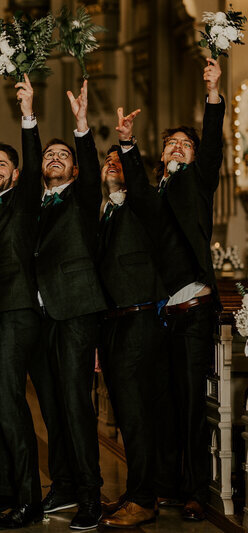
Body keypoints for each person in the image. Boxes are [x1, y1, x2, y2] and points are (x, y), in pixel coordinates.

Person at [23, 78, 107, 531]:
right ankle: (65, 482)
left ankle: (90, 496)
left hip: (74, 311)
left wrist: (80, 127)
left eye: (63, 156)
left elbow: (92, 167)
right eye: (47, 155)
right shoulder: (32, 203)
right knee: (52, 406)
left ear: (74, 170)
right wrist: (28, 115)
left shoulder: (81, 194)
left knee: (76, 405)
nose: (54, 159)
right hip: (39, 316)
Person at [87, 108, 166, 528]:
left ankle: (146, 498)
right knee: (122, 409)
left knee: (137, 414)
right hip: (112, 323)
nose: (112, 166)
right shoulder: (102, 213)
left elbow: (138, 183)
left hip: (139, 320)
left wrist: (128, 145)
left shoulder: (142, 206)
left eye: (118, 162)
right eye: (108, 162)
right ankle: (135, 490)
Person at [153, 58, 224, 522]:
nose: (178, 148)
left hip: (194, 306)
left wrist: (214, 92)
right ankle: (172, 487)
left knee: (195, 406)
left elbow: (213, 141)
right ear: (161, 155)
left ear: (195, 157)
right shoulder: (153, 190)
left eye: (186, 145)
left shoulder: (197, 182)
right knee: (167, 404)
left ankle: (198, 490)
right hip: (161, 313)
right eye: (171, 144)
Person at [0, 77, 43, 530]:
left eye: (2, 164)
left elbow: (35, 164)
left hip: (16, 313)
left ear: (16, 174)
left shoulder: (21, 202)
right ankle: (7, 488)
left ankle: (30, 499)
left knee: (10, 403)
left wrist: (27, 113)